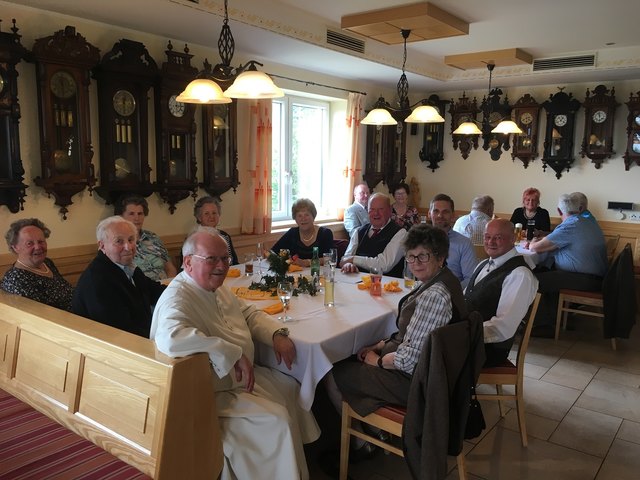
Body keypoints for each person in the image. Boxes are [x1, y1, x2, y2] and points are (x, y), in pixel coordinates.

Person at [150, 230, 320, 480]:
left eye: (225, 259)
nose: (221, 266)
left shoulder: (215, 287)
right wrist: (230, 352)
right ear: (188, 262)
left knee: (289, 387)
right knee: (277, 419)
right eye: (211, 259)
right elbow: (171, 338)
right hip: (207, 391)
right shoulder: (177, 297)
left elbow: (249, 314)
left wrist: (277, 334)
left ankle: (295, 466)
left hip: (237, 378)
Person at [327, 224, 468, 454]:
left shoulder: (435, 295)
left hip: (417, 385)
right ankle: (375, 429)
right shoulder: (445, 281)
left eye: (423, 256)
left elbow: (408, 361)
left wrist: (378, 361)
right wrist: (380, 345)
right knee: (356, 354)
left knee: (332, 370)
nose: (415, 263)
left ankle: (362, 443)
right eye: (411, 257)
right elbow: (414, 336)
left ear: (440, 257)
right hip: (432, 373)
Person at [528, 193, 607, 337]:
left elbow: (535, 248)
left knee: (531, 280)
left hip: (586, 279)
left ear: (559, 211)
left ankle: (542, 325)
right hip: (594, 277)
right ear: (580, 208)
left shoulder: (571, 224)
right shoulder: (585, 221)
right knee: (547, 274)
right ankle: (552, 319)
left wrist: (533, 241)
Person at [72, 216, 165, 338]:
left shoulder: (128, 267)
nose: (128, 247)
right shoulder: (97, 280)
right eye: (119, 241)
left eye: (131, 240)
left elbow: (155, 291)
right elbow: (119, 331)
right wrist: (161, 335)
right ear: (102, 246)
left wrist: (183, 292)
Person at [464, 218, 538, 366]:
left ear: (513, 239)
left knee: (430, 352)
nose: (491, 242)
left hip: (487, 349)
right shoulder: (483, 264)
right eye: (487, 236)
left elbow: (503, 327)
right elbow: (465, 298)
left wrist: (462, 334)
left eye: (498, 237)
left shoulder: (519, 274)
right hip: (468, 336)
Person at [1, 218, 73, 311]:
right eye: (29, 243)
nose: (38, 247)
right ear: (15, 248)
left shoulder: (47, 262)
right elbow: (38, 318)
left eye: (41, 241)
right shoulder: (17, 279)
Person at [340, 192, 407, 277]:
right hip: (357, 284)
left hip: (387, 286)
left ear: (390, 210)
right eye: (372, 209)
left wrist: (353, 259)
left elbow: (383, 265)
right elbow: (345, 259)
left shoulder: (400, 233)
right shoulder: (358, 231)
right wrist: (348, 265)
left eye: (381, 209)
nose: (376, 213)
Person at [115, 194, 177, 281]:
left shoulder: (153, 237)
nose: (137, 218)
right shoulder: (117, 243)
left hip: (164, 288)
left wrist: (170, 287)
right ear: (121, 217)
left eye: (140, 214)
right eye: (131, 214)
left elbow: (170, 268)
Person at [429, 193, 477, 288]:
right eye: (436, 211)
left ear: (453, 215)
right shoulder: (420, 240)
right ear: (429, 214)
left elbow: (470, 279)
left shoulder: (464, 244)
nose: (440, 215)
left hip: (450, 295)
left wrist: (446, 290)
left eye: (445, 212)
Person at [271, 198, 334, 266]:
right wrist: (286, 260)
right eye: (299, 215)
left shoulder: (325, 233)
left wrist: (307, 262)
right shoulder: (292, 233)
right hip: (296, 274)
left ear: (313, 216)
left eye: (307, 215)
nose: (303, 219)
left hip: (320, 274)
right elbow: (272, 252)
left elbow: (330, 258)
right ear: (295, 219)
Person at [194, 196, 239, 265]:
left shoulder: (224, 235)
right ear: (199, 217)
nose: (211, 216)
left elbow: (234, 263)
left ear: (219, 215)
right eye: (206, 213)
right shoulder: (193, 239)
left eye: (214, 213)